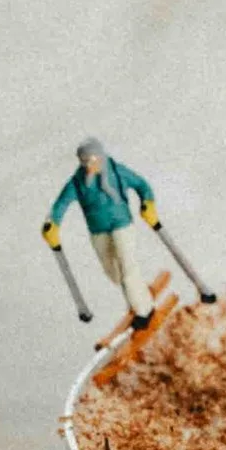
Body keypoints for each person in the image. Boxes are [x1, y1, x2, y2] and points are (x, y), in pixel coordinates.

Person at [44, 142, 163, 332]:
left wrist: (147, 202)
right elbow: (61, 204)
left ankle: (145, 311)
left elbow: (142, 185)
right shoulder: (77, 182)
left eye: (93, 160)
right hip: (98, 230)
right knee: (113, 273)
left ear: (100, 157)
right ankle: (138, 295)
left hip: (122, 225)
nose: (90, 165)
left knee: (128, 268)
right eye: (85, 161)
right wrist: (53, 222)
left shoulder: (116, 172)